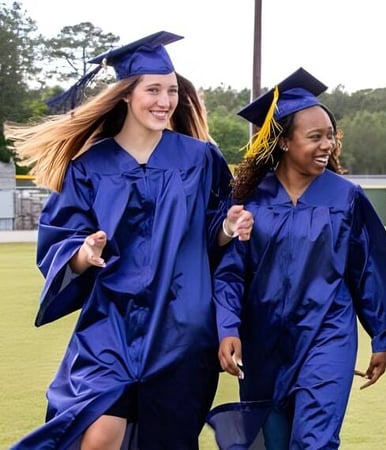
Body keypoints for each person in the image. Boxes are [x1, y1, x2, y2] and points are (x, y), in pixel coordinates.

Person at [6, 31, 253, 449]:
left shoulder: (199, 159)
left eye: (171, 90)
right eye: (152, 89)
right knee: (98, 434)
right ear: (125, 95)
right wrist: (83, 254)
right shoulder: (89, 167)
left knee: (167, 441)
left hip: (181, 329)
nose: (164, 100)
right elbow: (59, 240)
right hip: (111, 325)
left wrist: (228, 229)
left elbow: (213, 235)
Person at [205, 67, 386, 449]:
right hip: (262, 340)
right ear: (283, 142)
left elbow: (369, 269)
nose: (327, 145)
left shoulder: (345, 198)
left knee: (315, 441)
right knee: (273, 442)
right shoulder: (249, 201)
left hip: (327, 334)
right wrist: (228, 328)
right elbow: (230, 274)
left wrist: (383, 335)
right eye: (314, 137)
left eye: (331, 136)